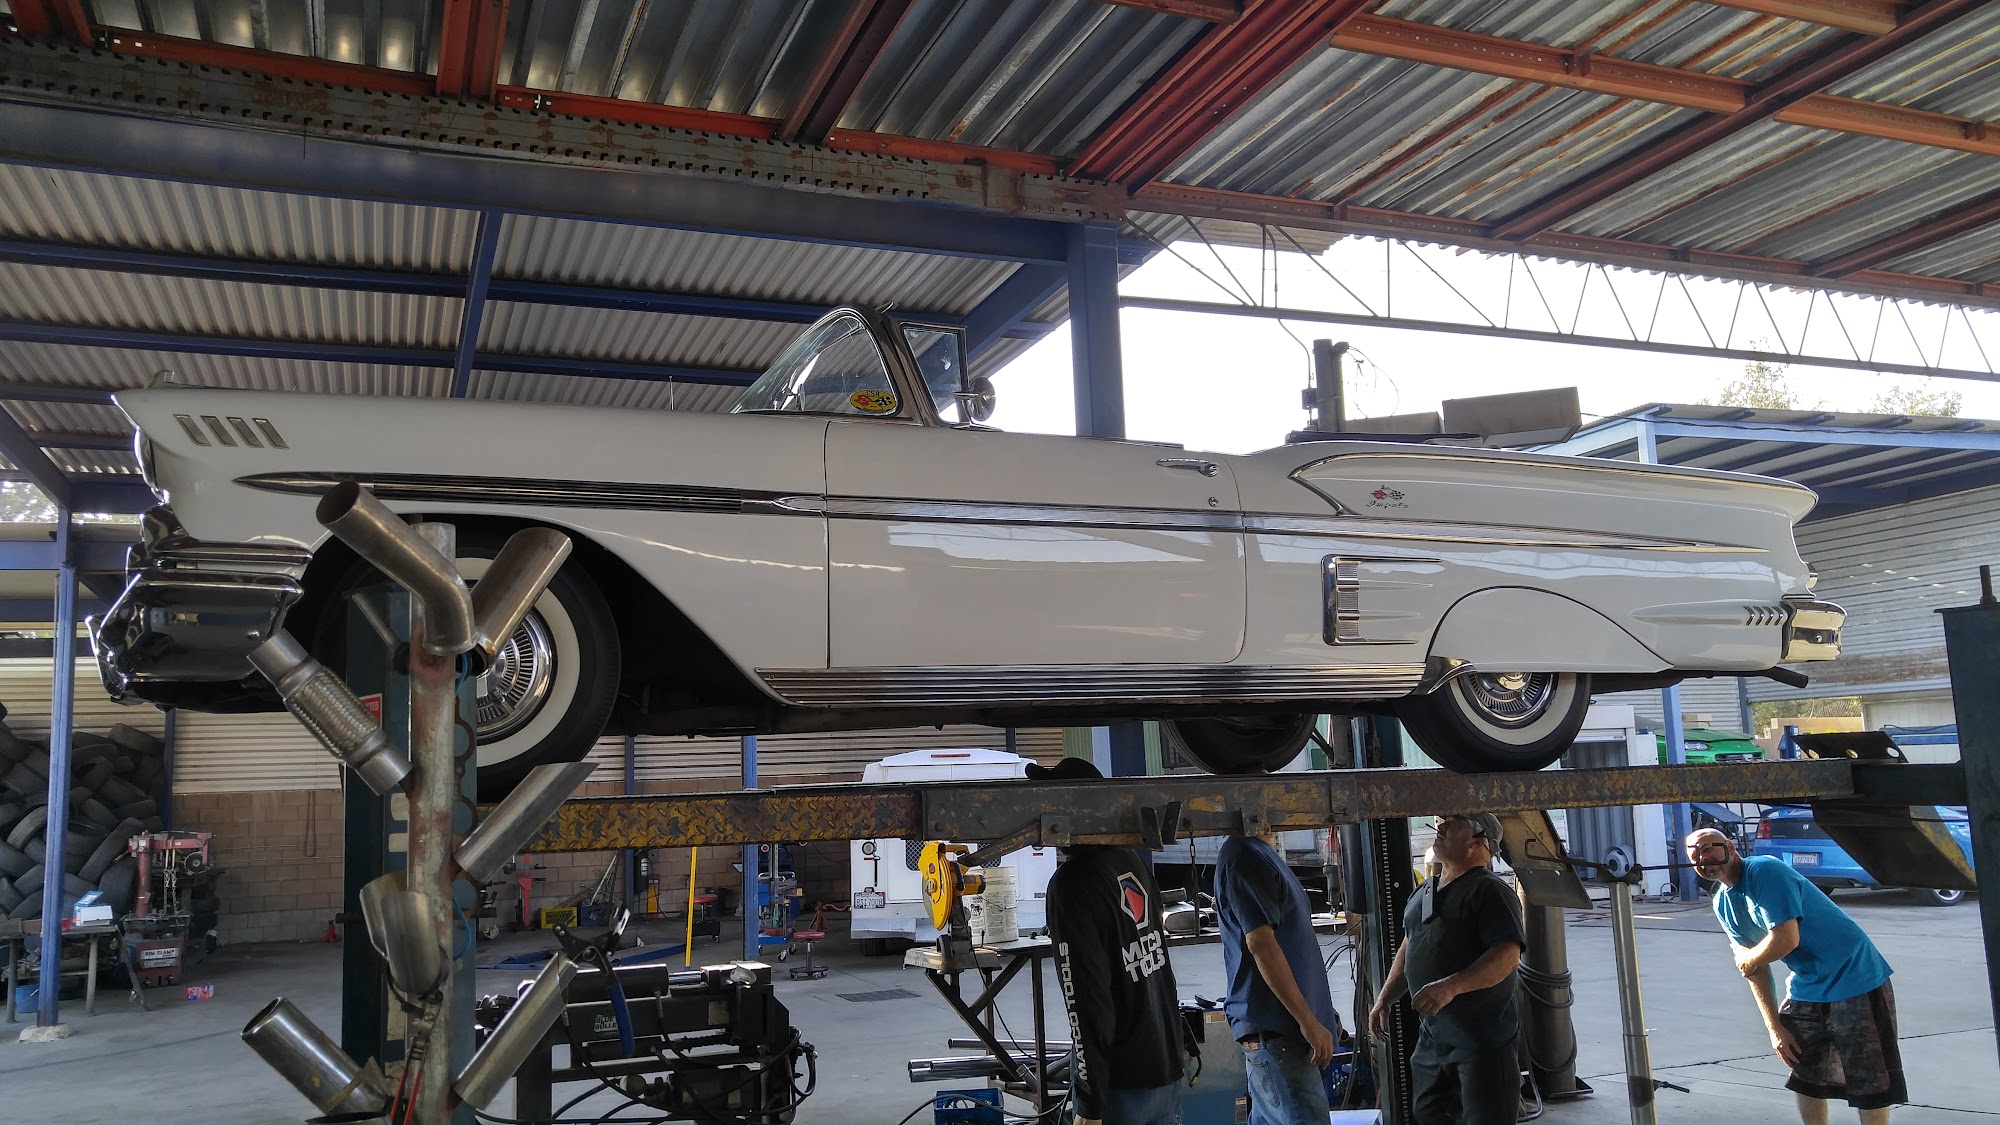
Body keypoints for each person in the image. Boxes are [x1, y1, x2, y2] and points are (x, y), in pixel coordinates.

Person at [1684, 827, 1904, 1124]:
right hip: (1807, 983)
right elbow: (1754, 970)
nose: (1703, 857)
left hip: (1855, 974)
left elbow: (1786, 939)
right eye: (1695, 854)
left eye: (1709, 848)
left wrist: (1750, 957)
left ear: (1731, 847)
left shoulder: (1764, 871)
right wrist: (1774, 1028)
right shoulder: (1722, 902)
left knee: (1869, 1076)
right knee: (1805, 1071)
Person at [1032, 757, 1186, 1125]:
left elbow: (1086, 1001)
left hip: (1122, 1085)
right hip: (1166, 1069)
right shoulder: (1132, 862)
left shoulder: (1072, 885)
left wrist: (1090, 1103)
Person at [1368, 812, 1524, 1125]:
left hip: (1480, 1042)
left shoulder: (1490, 891)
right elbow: (1412, 942)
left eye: (1455, 823)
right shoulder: (1426, 890)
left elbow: (1507, 956)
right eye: (1443, 821)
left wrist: (1450, 987)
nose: (1442, 826)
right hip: (1434, 1038)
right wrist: (1385, 998)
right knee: (1427, 1113)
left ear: (1478, 842)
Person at [1214, 821, 1339, 1123]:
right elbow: (1261, 944)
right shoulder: (1245, 856)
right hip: (1280, 1033)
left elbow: (1292, 943)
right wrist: (1308, 1021)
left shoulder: (1261, 852)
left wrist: (1320, 1012)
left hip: (1285, 1034)